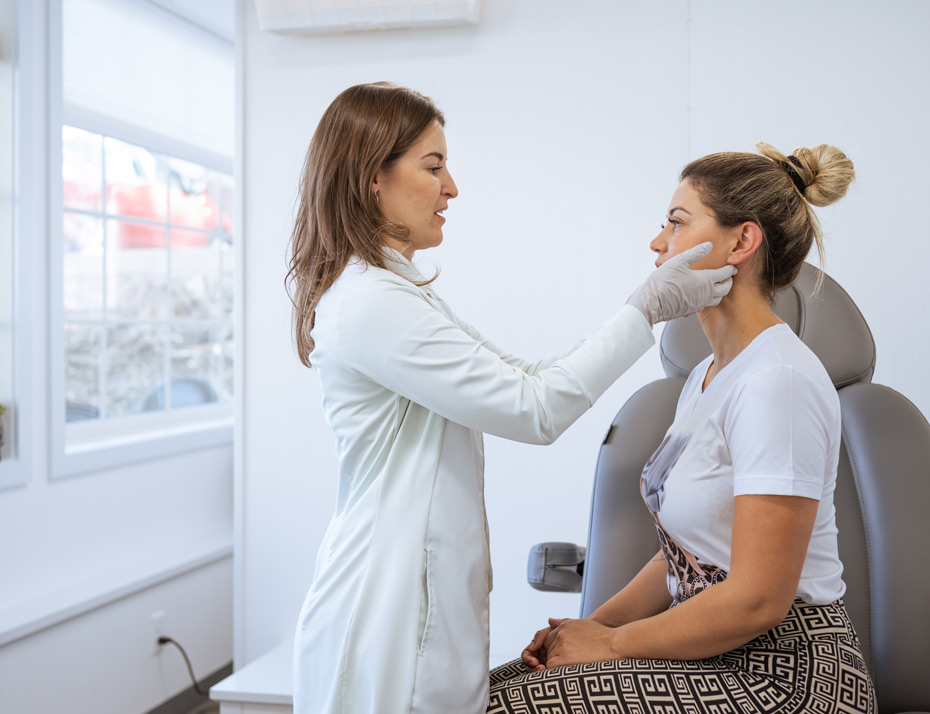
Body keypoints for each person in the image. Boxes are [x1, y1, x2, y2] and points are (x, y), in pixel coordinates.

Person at [287, 82, 736, 714]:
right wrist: (645, 310)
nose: (452, 188)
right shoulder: (370, 305)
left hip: (411, 593)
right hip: (385, 605)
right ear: (372, 180)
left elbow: (528, 377)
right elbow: (535, 409)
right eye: (434, 166)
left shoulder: (395, 294)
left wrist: (641, 310)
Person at [489, 143, 876, 714]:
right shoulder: (705, 376)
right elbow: (682, 558)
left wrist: (612, 645)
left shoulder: (778, 382)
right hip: (712, 653)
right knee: (483, 691)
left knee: (506, 708)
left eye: (676, 222)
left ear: (741, 242)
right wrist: (585, 628)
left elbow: (758, 600)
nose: (657, 243)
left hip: (789, 676)